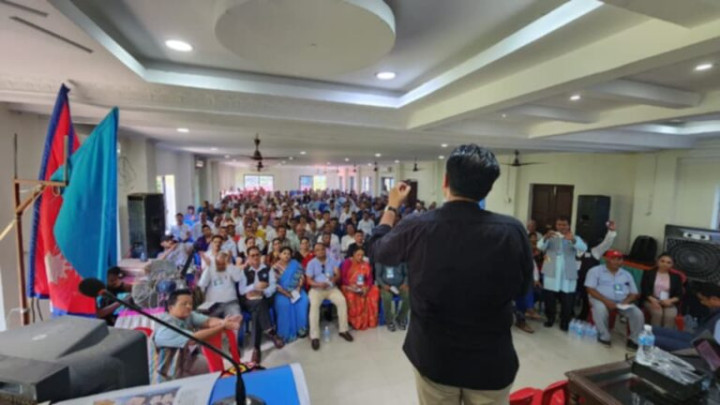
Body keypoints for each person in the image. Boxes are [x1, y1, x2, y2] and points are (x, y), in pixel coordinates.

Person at [369, 145, 533, 405]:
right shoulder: (512, 230)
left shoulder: (418, 225)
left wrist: (392, 206)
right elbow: (523, 289)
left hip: (436, 358)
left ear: (446, 181)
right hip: (491, 361)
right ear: (488, 188)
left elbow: (379, 251)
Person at [153, 289, 242, 382]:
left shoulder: (188, 315)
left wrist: (225, 322)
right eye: (184, 304)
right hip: (165, 373)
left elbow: (208, 321)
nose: (189, 306)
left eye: (190, 304)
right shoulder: (164, 328)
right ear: (171, 308)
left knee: (212, 370)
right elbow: (193, 338)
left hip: (186, 361)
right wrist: (221, 327)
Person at [585, 250, 644, 349]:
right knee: (600, 309)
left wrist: (625, 302)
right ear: (607, 260)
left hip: (622, 301)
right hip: (600, 299)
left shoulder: (627, 274)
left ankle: (634, 340)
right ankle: (604, 336)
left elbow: (634, 293)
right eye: (614, 259)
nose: (617, 262)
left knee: (637, 313)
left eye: (619, 259)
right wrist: (606, 301)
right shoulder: (595, 271)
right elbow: (590, 289)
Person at [538, 216, 587, 331]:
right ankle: (550, 318)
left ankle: (565, 321)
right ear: (556, 225)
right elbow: (540, 247)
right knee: (549, 297)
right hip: (551, 270)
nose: (561, 227)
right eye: (559, 224)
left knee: (567, 299)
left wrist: (573, 240)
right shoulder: (550, 236)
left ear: (568, 225)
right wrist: (545, 237)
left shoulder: (575, 237)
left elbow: (583, 248)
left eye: (564, 225)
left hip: (567, 272)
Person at [238, 246, 284, 363]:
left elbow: (273, 285)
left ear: (260, 256)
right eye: (252, 255)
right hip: (249, 301)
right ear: (248, 258)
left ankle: (256, 349)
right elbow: (241, 290)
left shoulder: (268, 269)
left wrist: (263, 292)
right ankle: (271, 332)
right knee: (258, 305)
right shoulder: (244, 272)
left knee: (257, 309)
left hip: (265, 298)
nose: (255, 257)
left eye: (257, 255)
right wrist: (254, 287)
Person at [306, 243, 353, 351]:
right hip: (317, 289)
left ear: (325, 250)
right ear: (314, 252)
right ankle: (314, 337)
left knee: (342, 301)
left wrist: (333, 279)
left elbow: (338, 274)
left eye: (322, 249)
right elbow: (309, 280)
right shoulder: (311, 263)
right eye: (318, 250)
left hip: (331, 288)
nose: (320, 251)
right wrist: (318, 284)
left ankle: (343, 330)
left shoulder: (332, 260)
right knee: (314, 306)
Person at [653, 281, 720, 351]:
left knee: (655, 339)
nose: (702, 302)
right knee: (656, 330)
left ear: (714, 299)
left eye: (703, 300)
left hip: (700, 348)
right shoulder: (714, 311)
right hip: (695, 338)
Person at [576, 221, 618, 320]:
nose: (582, 244)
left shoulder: (595, 251)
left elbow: (606, 243)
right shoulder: (575, 251)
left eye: (584, 242)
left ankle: (584, 316)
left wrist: (611, 232)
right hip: (575, 279)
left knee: (586, 299)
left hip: (590, 281)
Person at [273, 247, 309, 342]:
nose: (287, 255)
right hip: (282, 292)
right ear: (280, 255)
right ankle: (285, 333)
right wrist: (286, 293)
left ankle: (301, 329)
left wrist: (298, 288)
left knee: (303, 301)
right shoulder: (275, 267)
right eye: (284, 253)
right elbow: (274, 284)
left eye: (288, 254)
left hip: (297, 289)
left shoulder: (296, 264)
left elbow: (301, 277)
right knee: (284, 304)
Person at [640, 253, 683, 329]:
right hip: (651, 300)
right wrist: (653, 300)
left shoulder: (676, 277)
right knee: (658, 313)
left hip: (668, 301)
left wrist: (670, 301)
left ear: (672, 265)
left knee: (670, 315)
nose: (665, 264)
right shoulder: (648, 273)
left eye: (668, 262)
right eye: (662, 261)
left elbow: (679, 294)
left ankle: (666, 335)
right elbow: (644, 289)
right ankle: (655, 333)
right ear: (657, 261)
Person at [340, 247, 379, 330]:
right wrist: (351, 285)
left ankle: (369, 320)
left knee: (374, 290)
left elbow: (369, 279)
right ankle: (354, 321)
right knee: (352, 296)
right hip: (349, 285)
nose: (360, 257)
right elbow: (343, 278)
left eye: (362, 255)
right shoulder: (347, 262)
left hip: (362, 285)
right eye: (358, 255)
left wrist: (367, 288)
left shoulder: (365, 264)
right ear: (353, 254)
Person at [197, 252, 243, 318]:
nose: (220, 266)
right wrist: (208, 267)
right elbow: (202, 283)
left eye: (223, 264)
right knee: (205, 320)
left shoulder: (230, 268)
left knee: (236, 319)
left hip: (230, 303)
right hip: (212, 304)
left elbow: (238, 278)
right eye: (218, 263)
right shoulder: (210, 269)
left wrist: (229, 265)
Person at [375, 261, 409, 332]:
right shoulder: (380, 260)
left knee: (409, 296)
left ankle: (401, 318)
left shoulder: (402, 259)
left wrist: (405, 283)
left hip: (400, 285)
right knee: (387, 298)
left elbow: (406, 274)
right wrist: (383, 285)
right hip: (386, 286)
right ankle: (389, 320)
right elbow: (378, 276)